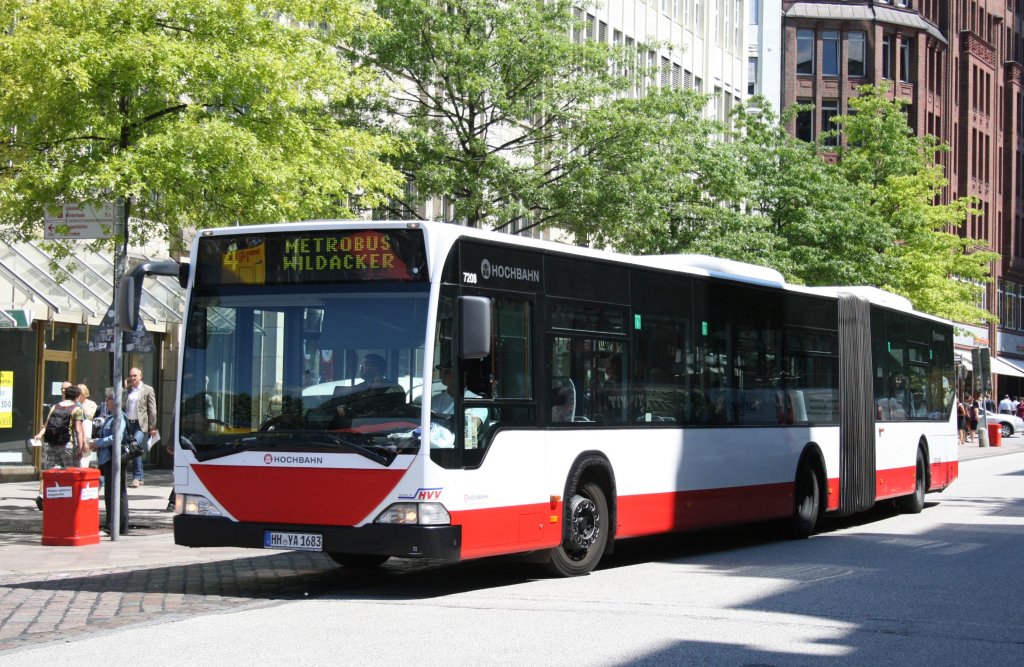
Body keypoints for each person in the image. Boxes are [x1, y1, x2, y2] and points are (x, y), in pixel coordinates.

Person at [33, 383, 88, 510]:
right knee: (71, 473)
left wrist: (40, 435)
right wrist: (80, 448)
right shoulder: (76, 409)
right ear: (77, 396)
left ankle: (46, 497)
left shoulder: (55, 407)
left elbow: (46, 424)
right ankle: (71, 501)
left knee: (50, 473)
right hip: (67, 445)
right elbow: (78, 430)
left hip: (51, 444)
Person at [90, 388, 129, 534]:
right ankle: (118, 525)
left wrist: (98, 442)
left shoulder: (119, 417)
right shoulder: (111, 417)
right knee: (114, 492)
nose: (106, 401)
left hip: (114, 459)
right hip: (108, 458)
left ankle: (113, 525)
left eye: (109, 398)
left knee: (114, 493)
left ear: (117, 400)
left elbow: (116, 437)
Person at [123, 367, 157, 488]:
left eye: (134, 376)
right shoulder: (127, 391)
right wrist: (124, 389)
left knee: (134, 447)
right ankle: (139, 477)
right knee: (131, 450)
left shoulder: (147, 390)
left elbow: (152, 409)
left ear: (140, 376)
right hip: (128, 423)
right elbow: (120, 405)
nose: (132, 378)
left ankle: (137, 477)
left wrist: (152, 427)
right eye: (130, 376)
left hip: (140, 424)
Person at [77, 383, 98, 467]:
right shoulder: (74, 403)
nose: (78, 396)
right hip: (77, 433)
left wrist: (80, 407)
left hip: (87, 433)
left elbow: (90, 415)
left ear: (84, 394)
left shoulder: (91, 404)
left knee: (85, 457)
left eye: (80, 393)